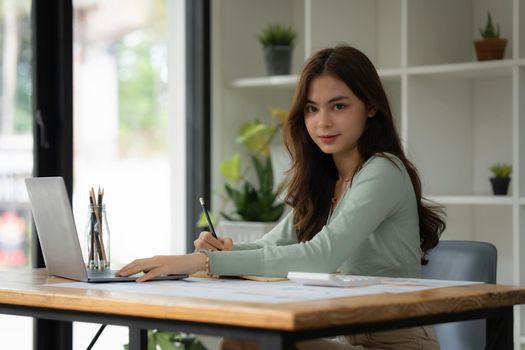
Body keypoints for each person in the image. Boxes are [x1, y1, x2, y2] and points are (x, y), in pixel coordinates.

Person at [117, 45, 446, 349]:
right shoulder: (327, 179)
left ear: (371, 106)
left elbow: (321, 255)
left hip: (400, 345)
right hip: (348, 339)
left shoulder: (383, 170)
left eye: (339, 106)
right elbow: (274, 244)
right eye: (312, 109)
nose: (322, 122)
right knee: (241, 342)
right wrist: (227, 250)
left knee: (248, 344)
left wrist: (205, 263)